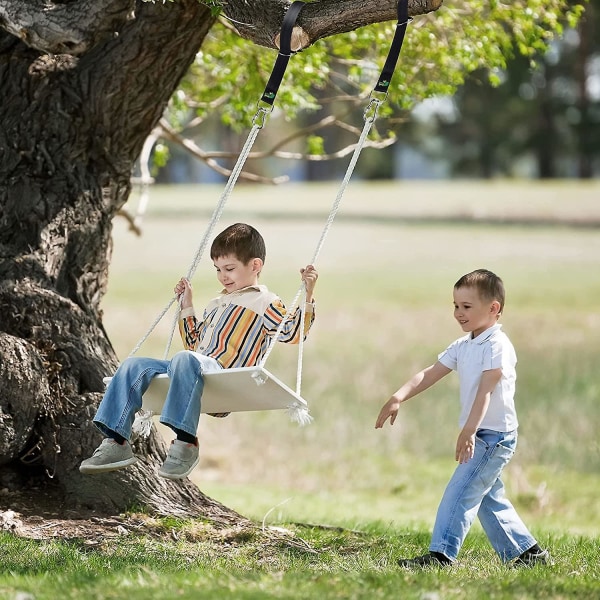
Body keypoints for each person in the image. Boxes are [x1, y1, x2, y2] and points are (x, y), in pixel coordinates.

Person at [80, 223, 318, 480]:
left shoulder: (265, 301)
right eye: (218, 270)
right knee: (132, 365)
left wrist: (308, 294)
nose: (223, 276)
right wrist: (187, 306)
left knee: (185, 359)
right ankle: (116, 441)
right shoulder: (218, 303)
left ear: (255, 266)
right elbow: (194, 346)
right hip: (195, 368)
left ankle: (185, 442)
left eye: (229, 269)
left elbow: (293, 334)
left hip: (225, 376)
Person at [375, 269, 551, 568]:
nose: (458, 313)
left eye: (466, 307)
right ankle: (528, 554)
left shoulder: (497, 346)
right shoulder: (465, 345)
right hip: (480, 434)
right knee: (486, 499)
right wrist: (398, 396)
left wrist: (469, 431)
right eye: (456, 306)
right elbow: (430, 373)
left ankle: (441, 555)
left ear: (493, 309)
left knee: (459, 492)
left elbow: (486, 391)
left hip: (493, 437)